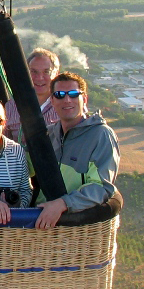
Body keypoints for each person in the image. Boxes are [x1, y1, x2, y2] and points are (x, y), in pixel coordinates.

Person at [35, 72, 120, 229]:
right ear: (52, 101)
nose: (67, 100)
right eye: (60, 95)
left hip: (75, 228)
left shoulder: (100, 135)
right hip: (42, 222)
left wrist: (63, 204)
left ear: (84, 99)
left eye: (74, 94)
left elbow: (102, 187)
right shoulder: (49, 135)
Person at [4, 48, 60, 141]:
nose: (39, 78)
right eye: (34, 72)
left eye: (46, 72)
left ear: (56, 74)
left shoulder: (65, 106)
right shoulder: (11, 107)